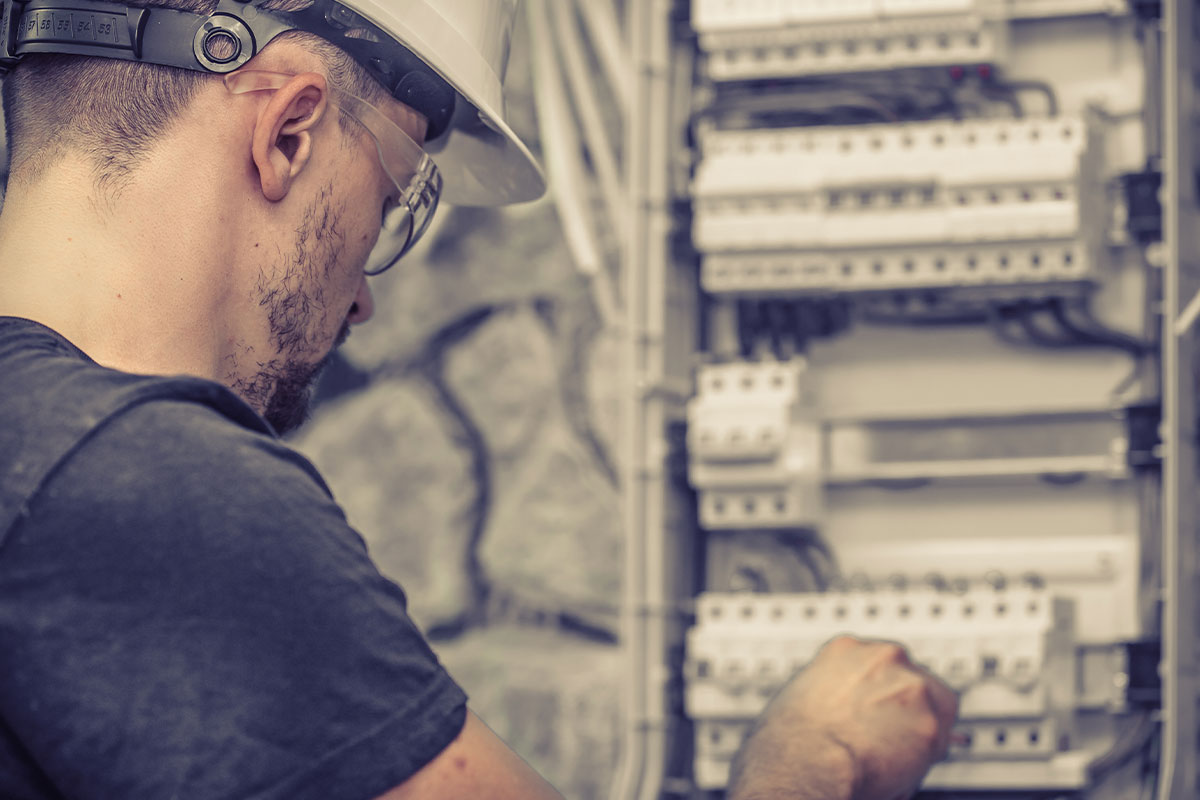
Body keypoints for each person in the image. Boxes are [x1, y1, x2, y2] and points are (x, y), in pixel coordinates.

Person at [0, 0, 958, 797]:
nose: (364, 299)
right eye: (383, 209)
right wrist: (814, 754)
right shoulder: (147, 484)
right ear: (288, 132)